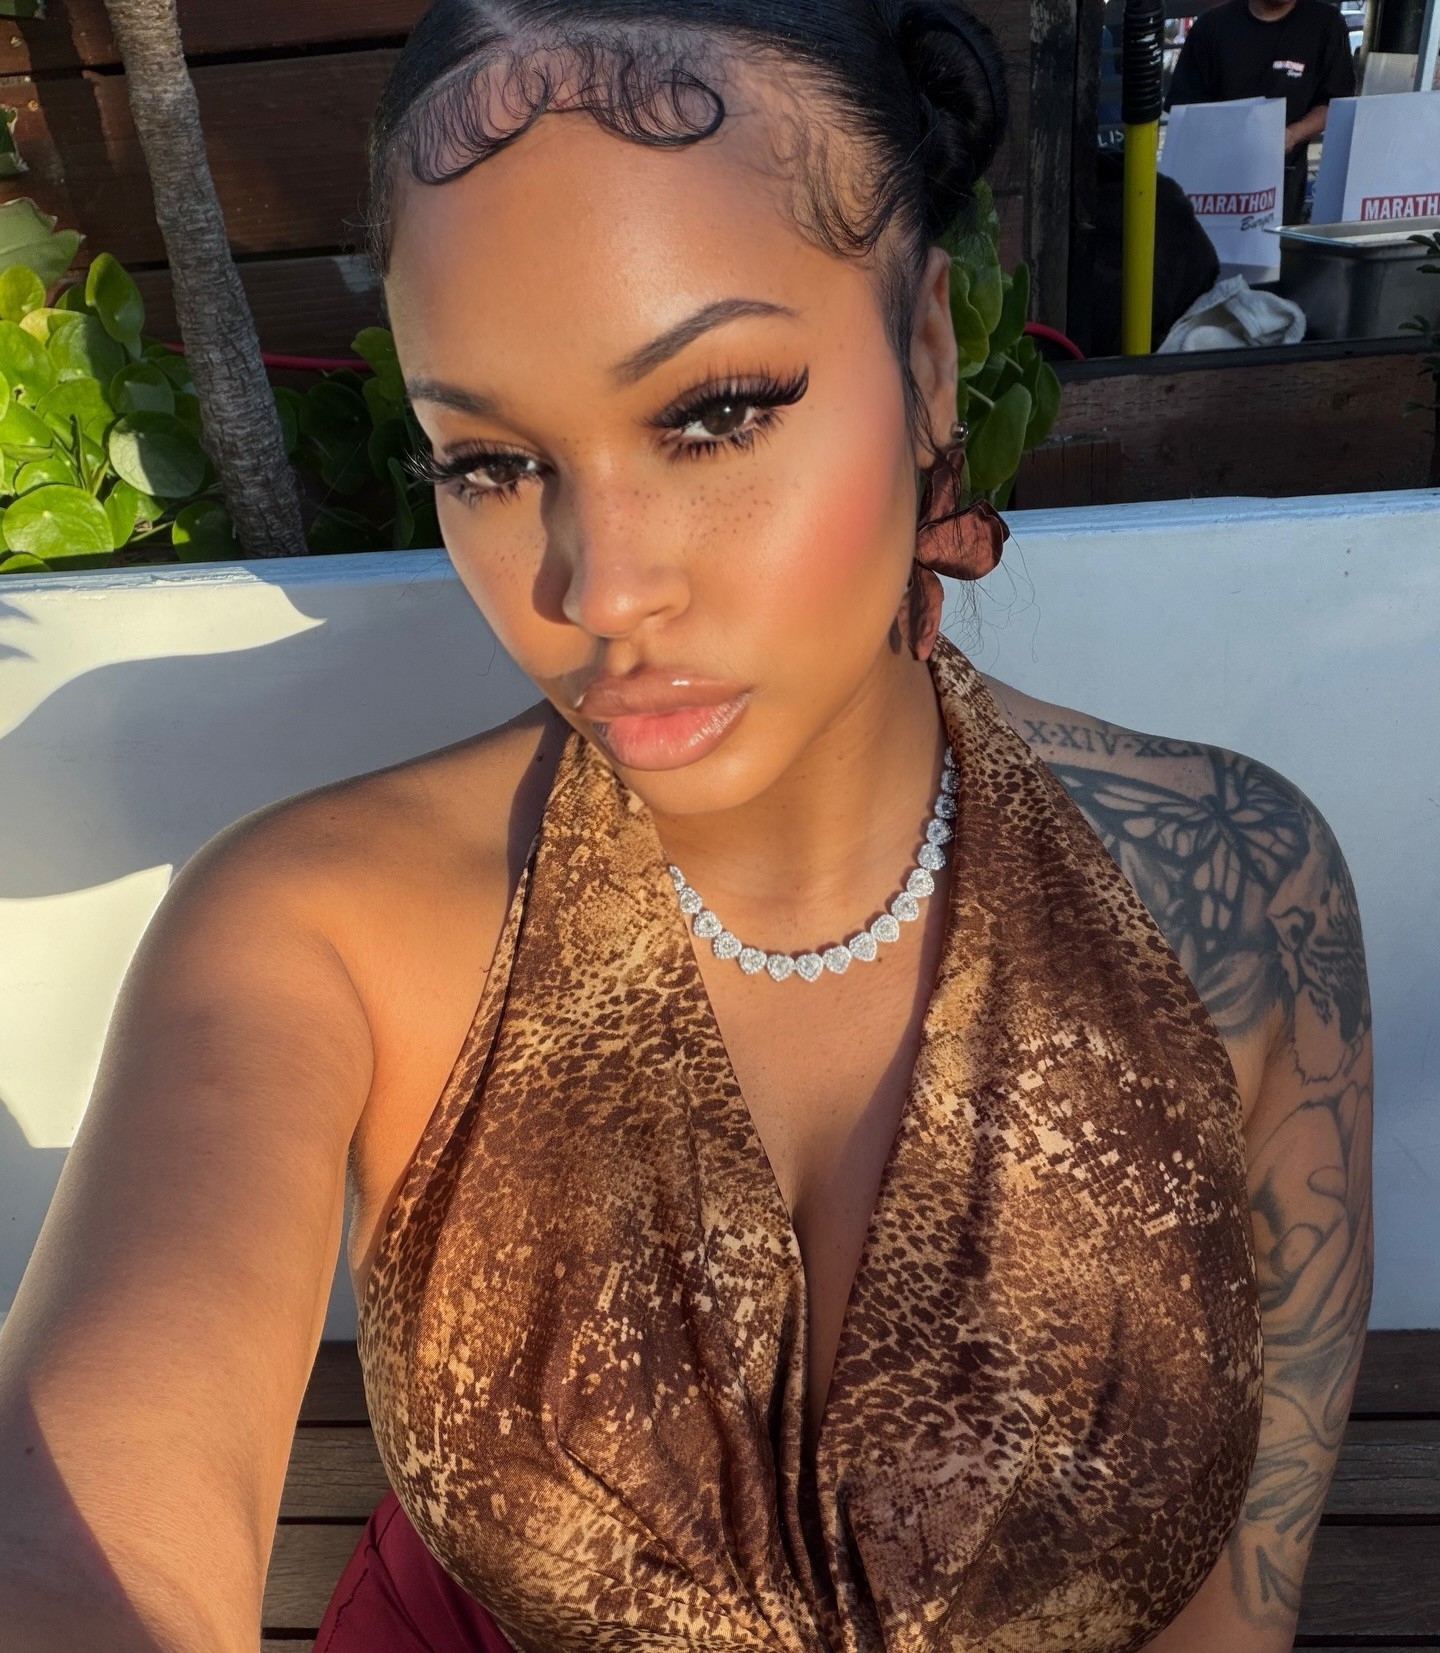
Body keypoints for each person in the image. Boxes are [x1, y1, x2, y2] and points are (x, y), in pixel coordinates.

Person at [0, 2, 1374, 1650]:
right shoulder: (316, 931)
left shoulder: (1235, 885)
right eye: (486, 461)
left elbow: (1236, 1595)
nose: (599, 588)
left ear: (925, 360)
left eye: (716, 411)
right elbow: (80, 1539)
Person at [1167, 0, 1358, 223]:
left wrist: (1292, 134)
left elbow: (1335, 102)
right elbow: (1185, 110)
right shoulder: (1212, 25)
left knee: (1276, 242)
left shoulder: (1325, 23)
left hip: (1284, 179)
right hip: (1212, 182)